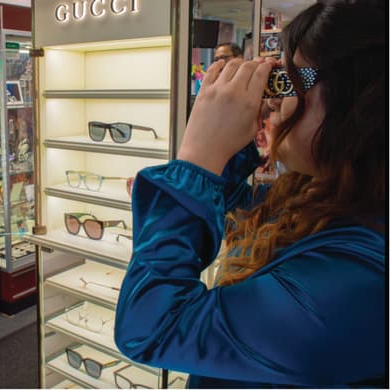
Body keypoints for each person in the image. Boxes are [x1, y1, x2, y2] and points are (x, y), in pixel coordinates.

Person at [114, 0, 386, 388]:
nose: (274, 100)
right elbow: (240, 213)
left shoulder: (364, 282)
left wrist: (198, 158)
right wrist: (215, 158)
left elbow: (150, 327)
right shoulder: (331, 194)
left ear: (358, 99)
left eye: (290, 80)